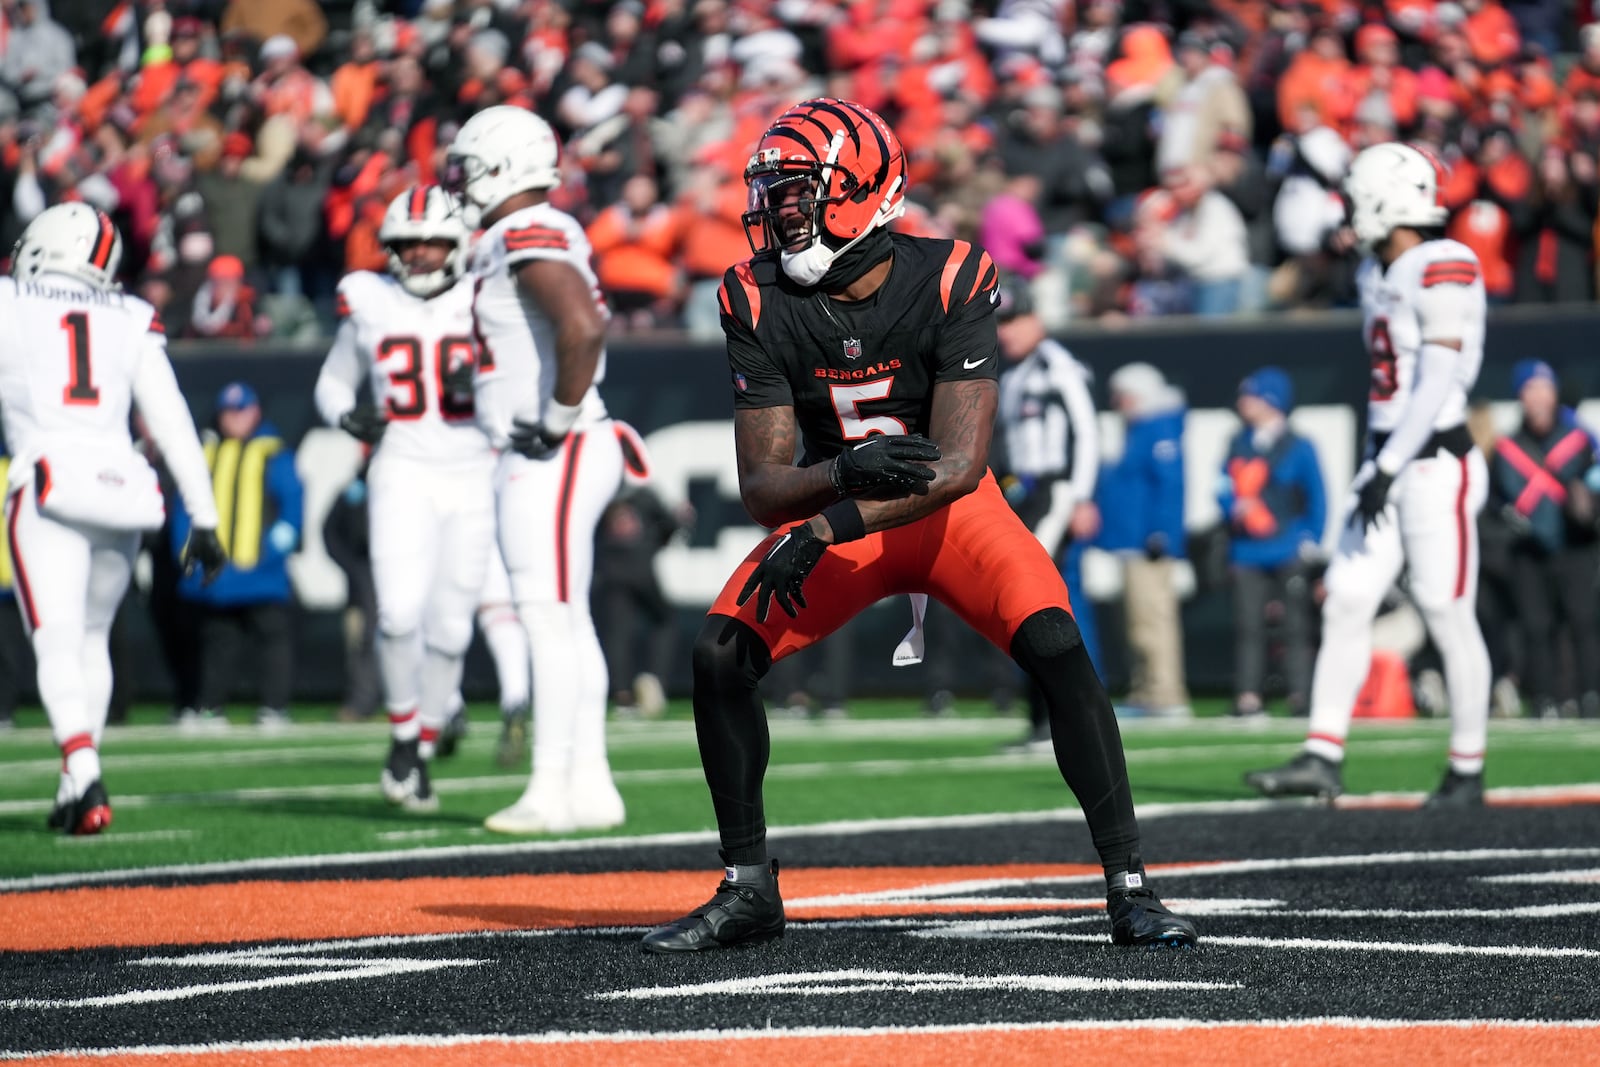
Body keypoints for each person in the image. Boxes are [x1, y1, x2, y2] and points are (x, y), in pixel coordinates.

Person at [640, 98, 1196, 954]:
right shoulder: (753, 295)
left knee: (1055, 643)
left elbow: (958, 466)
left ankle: (1129, 883)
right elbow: (761, 485)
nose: (779, 212)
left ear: (862, 193)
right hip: (845, 509)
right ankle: (749, 885)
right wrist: (837, 476)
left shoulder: (951, 275)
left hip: (945, 512)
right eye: (774, 195)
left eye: (797, 194)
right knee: (720, 651)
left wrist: (830, 520)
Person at [1247, 142, 1491, 807]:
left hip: (1435, 460)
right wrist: (1378, 466)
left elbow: (1437, 376)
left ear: (1385, 199)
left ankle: (1467, 768)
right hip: (1387, 457)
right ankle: (1322, 752)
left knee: (1446, 608)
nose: (1350, 213)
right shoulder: (1377, 270)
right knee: (1349, 596)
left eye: (1359, 198)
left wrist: (1385, 463)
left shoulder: (1446, 260)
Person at [0, 203, 225, 834]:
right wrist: (203, 514)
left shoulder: (11, 302)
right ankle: (76, 788)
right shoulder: (129, 316)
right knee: (92, 638)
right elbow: (173, 419)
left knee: (55, 636)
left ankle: (83, 767)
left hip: (49, 486)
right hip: (121, 491)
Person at [443, 106, 627, 834]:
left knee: (547, 618)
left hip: (557, 444)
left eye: (467, 166)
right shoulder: (511, 235)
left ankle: (550, 787)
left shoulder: (527, 229)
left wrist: (551, 421)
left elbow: (582, 326)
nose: (459, 182)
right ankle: (592, 784)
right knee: (567, 618)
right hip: (565, 441)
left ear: (502, 164)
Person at [315, 184, 494, 812]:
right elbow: (333, 382)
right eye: (407, 244)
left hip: (473, 473)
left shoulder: (485, 294)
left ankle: (422, 742)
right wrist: (346, 416)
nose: (418, 254)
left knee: (449, 627)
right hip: (401, 470)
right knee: (395, 613)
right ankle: (402, 738)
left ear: (457, 244)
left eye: (431, 242)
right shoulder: (369, 300)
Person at [993, 274, 1101, 751]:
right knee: (1025, 598)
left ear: (1037, 319)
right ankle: (1043, 717)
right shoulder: (1013, 372)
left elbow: (1087, 432)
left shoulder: (1058, 367)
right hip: (1024, 494)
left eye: (1015, 320)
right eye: (1002, 322)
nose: (1006, 331)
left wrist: (1080, 494)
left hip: (1054, 490)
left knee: (1036, 597)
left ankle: (1064, 718)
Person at [172, 381, 302, 731]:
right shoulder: (207, 452)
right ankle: (210, 707)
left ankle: (274, 707)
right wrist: (187, 550)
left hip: (261, 569)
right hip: (218, 574)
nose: (235, 418)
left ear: (255, 411)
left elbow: (292, 502)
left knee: (271, 637)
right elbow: (185, 506)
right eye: (229, 411)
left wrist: (274, 547)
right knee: (217, 641)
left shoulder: (272, 451)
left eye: (241, 410)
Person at [1488, 360, 1600, 719]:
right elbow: (1493, 500)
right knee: (1536, 626)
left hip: (1574, 545)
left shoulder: (1578, 439)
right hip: (1529, 550)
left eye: (1543, 388)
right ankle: (1545, 699)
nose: (1537, 397)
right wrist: (1509, 522)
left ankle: (1591, 695)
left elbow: (1593, 478)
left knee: (1583, 621)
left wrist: (1589, 503)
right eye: (1530, 389)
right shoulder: (1507, 448)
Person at [1217, 367, 1327, 719]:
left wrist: (1310, 539)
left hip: (1286, 546)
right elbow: (1221, 485)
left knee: (1296, 625)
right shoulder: (1238, 441)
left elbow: (1317, 496)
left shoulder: (1298, 445)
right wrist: (1233, 508)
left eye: (1250, 395)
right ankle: (1248, 695)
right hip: (1247, 550)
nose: (1242, 402)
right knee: (1248, 625)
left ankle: (1301, 694)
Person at [1098, 362, 1190, 718]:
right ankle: (1146, 690)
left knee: (1153, 618)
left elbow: (1169, 485)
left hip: (1148, 541)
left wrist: (1161, 532)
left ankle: (1165, 692)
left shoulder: (1158, 427)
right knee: (1137, 621)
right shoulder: (1139, 427)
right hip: (1131, 540)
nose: (1116, 402)